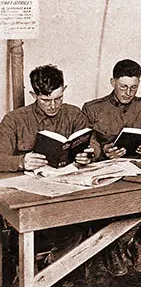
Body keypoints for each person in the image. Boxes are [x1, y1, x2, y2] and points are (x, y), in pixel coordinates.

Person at [0, 64, 98, 285]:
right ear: (34, 94)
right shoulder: (14, 120)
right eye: (46, 100)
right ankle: (42, 270)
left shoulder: (74, 114)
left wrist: (89, 154)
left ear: (64, 89)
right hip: (29, 200)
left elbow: (93, 143)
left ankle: (57, 267)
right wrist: (21, 161)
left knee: (82, 222)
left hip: (68, 194)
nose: (53, 106)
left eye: (59, 98)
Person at [82, 59, 141, 277]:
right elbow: (87, 143)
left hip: (137, 168)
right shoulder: (92, 109)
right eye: (123, 86)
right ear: (112, 82)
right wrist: (104, 151)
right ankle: (110, 247)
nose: (128, 92)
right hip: (105, 170)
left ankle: (139, 242)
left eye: (134, 87)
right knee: (100, 198)